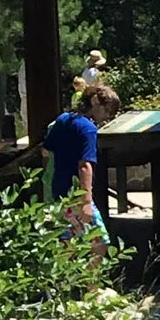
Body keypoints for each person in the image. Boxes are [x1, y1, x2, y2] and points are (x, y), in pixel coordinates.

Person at [44, 70, 119, 244]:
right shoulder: (88, 129)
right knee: (99, 244)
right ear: (95, 103)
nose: (107, 117)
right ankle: (94, 272)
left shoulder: (62, 119)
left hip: (59, 193)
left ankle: (65, 272)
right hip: (77, 196)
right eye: (108, 111)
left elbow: (46, 152)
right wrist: (86, 201)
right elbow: (85, 165)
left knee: (65, 244)